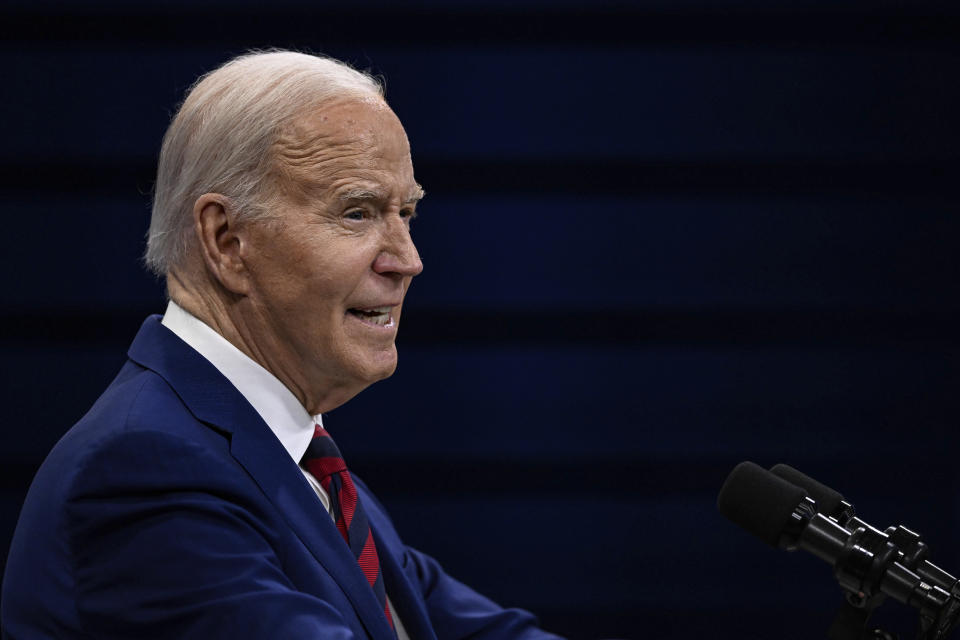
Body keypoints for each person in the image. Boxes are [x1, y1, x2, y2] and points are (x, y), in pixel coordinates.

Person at [1, 50, 563, 640]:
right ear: (226, 240)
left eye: (406, 212)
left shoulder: (303, 463)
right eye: (357, 212)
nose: (408, 261)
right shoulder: (146, 469)